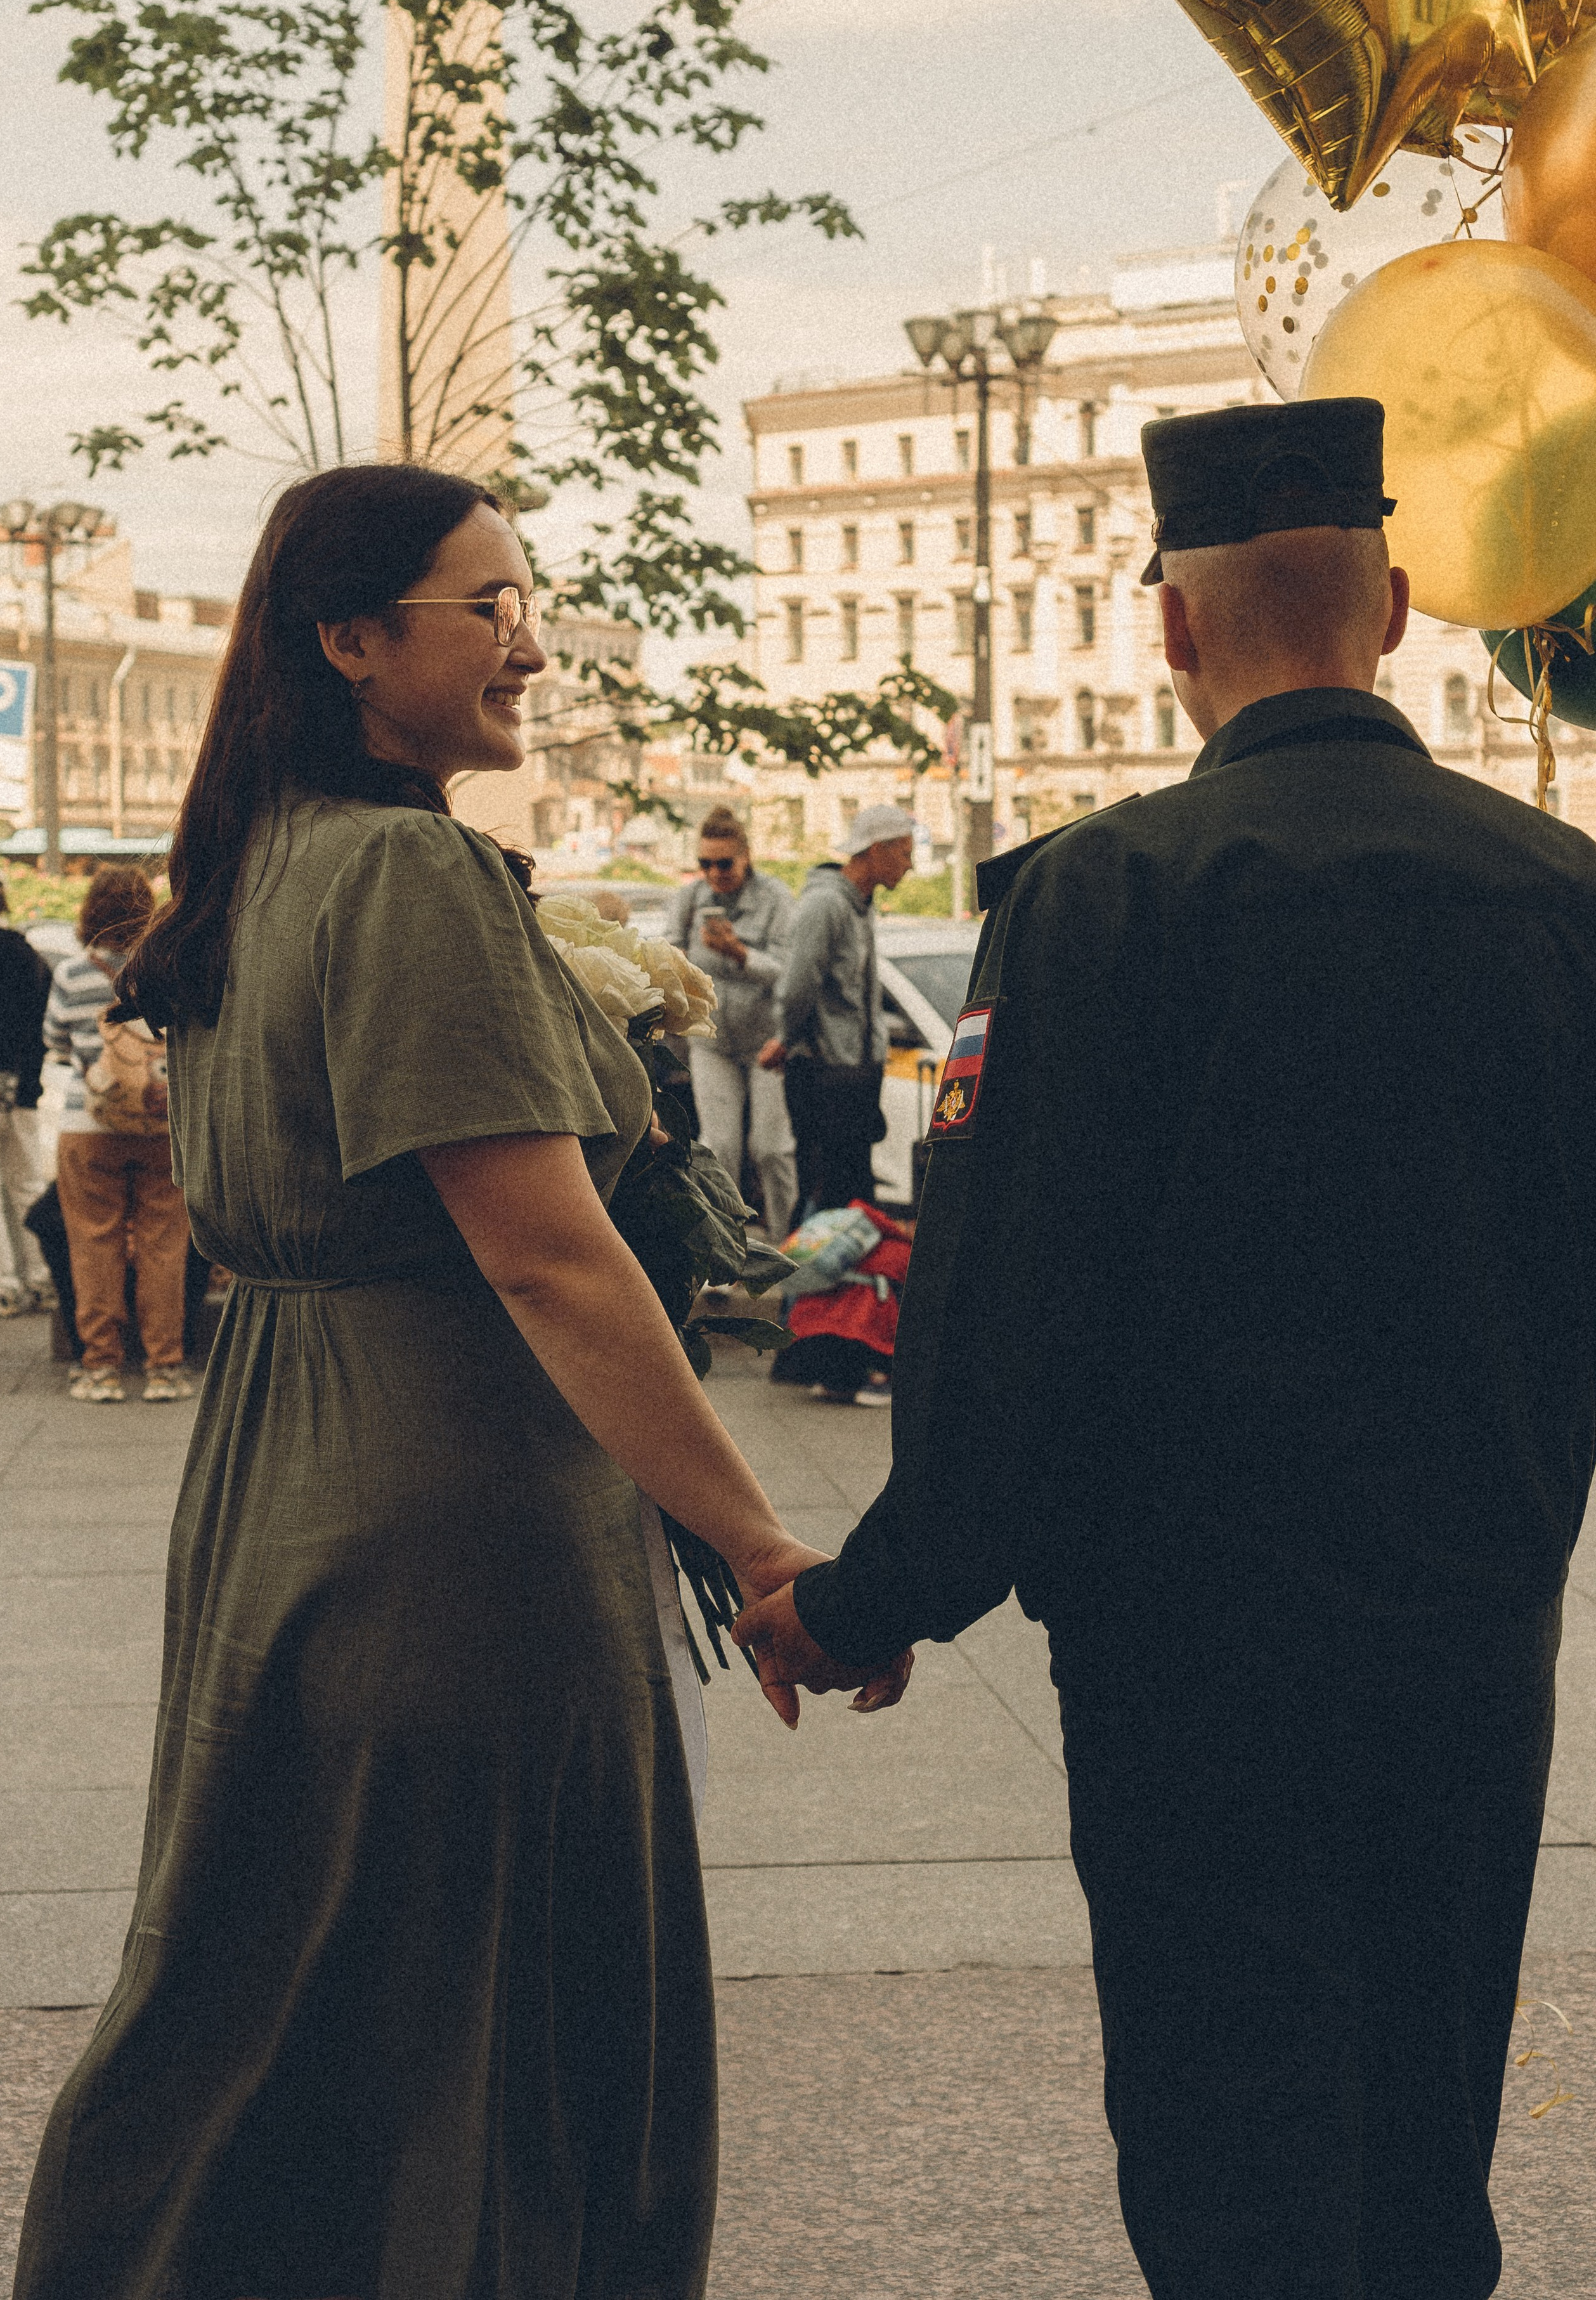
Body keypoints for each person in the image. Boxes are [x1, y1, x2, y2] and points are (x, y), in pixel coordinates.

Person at [15, 462, 909, 2300]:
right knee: (481, 2018)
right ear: (348, 639)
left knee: (291, 1986)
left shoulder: (259, 860)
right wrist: (760, 1547)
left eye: (529, 601)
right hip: (457, 1514)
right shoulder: (409, 871)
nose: (529, 644)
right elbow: (546, 1255)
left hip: (287, 1489)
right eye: (487, 606)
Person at [736, 398, 1596, 2300]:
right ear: (1391, 609)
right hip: (1470, 1632)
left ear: (1171, 625)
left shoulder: (1098, 894)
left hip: (1191, 1651)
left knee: (1233, 2156)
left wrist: (877, 1595)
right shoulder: (1561, 898)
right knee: (1419, 2138)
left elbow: (1003, 1307)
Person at [44, 865, 192, 1404]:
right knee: (163, 1246)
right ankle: (164, 1368)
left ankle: (102, 1368)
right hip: (161, 1124)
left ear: (90, 914)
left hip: (89, 1125)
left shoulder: (72, 974)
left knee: (93, 1244)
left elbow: (56, 1043)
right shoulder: (169, 969)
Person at [758, 804, 914, 1221]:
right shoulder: (824, 903)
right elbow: (798, 985)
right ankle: (800, 1265)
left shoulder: (860, 904)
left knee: (852, 1194)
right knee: (824, 1192)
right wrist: (785, 1038)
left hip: (855, 1071)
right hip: (823, 1071)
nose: (910, 865)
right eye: (904, 853)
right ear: (877, 850)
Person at [668, 806, 798, 1240]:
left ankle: (785, 1241)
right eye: (704, 863)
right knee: (719, 1147)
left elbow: (789, 970)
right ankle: (724, 1245)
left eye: (724, 864)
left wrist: (740, 954)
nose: (714, 874)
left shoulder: (775, 898)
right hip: (712, 1041)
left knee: (771, 1148)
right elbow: (667, 955)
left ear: (746, 858)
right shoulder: (689, 899)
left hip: (764, 1041)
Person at [0, 877, 53, 1315]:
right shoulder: (32, 958)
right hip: (24, 1089)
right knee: (27, 1185)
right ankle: (43, 1281)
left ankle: (3, 1289)